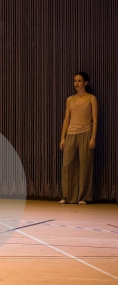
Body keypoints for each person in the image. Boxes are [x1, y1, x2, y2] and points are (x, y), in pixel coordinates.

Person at [59, 72, 98, 205]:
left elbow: (95, 119)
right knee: (67, 165)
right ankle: (67, 196)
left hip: (86, 133)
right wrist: (62, 138)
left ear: (85, 83)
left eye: (79, 81)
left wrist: (93, 138)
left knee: (85, 165)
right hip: (71, 133)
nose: (76, 83)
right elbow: (66, 119)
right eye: (75, 81)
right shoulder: (70, 99)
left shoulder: (91, 98)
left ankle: (83, 197)